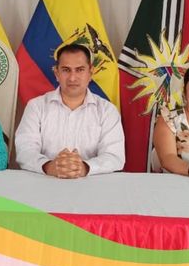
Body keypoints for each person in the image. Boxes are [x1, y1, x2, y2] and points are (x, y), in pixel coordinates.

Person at [15, 43, 124, 178]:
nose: (72, 78)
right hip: (45, 183)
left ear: (91, 73)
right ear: (57, 73)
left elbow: (114, 156)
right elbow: (25, 150)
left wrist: (84, 167)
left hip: (92, 185)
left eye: (80, 70)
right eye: (66, 70)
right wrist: (49, 166)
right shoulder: (36, 107)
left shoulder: (107, 111)